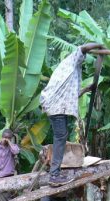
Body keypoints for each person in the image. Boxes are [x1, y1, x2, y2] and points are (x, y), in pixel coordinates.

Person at [40, 43, 103, 187]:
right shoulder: (72, 60)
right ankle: (54, 176)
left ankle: (55, 172)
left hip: (56, 105)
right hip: (56, 107)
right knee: (61, 137)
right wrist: (100, 45)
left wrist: (87, 89)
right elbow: (83, 48)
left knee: (61, 136)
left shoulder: (68, 73)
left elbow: (70, 95)